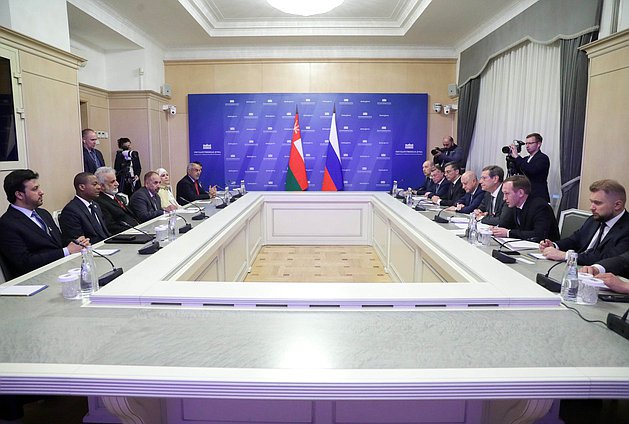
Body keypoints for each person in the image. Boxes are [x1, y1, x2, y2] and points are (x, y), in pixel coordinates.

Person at [0, 169, 87, 280]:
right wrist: (66, 251)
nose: (41, 192)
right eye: (35, 189)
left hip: (62, 271)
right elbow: (24, 262)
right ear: (19, 195)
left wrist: (77, 243)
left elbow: (58, 243)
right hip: (35, 281)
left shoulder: (43, 213)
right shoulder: (7, 224)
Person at [539, 179, 629, 265]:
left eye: (597, 203)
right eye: (591, 202)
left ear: (617, 205)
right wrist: (554, 246)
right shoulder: (594, 220)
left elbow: (609, 259)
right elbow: (574, 240)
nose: (591, 207)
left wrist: (566, 256)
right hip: (577, 269)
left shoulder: (626, 228)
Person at [490, 175, 559, 241]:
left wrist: (508, 233)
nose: (504, 198)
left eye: (507, 193)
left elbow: (539, 235)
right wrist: (496, 230)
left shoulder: (540, 207)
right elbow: (507, 224)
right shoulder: (515, 205)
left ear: (520, 193)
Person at [59, 172, 111, 245]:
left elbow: (104, 233)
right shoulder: (71, 211)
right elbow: (78, 241)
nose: (99, 187)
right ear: (82, 187)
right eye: (94, 184)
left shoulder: (95, 205)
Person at [94, 166, 140, 235]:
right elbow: (111, 226)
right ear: (102, 186)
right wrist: (135, 230)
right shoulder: (99, 202)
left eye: (116, 180)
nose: (117, 184)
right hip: (125, 235)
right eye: (112, 182)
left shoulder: (118, 197)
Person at [509, 132, 550, 202]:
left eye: (530, 143)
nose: (527, 146)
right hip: (526, 195)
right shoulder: (525, 159)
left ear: (538, 144)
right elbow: (516, 171)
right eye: (526, 143)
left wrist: (517, 157)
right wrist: (511, 158)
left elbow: (531, 170)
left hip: (537, 196)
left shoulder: (543, 158)